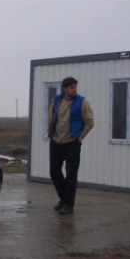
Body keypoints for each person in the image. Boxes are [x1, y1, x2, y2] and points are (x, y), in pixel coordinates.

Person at [48, 76, 94, 215]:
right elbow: (51, 118)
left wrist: (79, 139)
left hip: (72, 144)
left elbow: (90, 122)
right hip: (56, 142)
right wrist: (50, 132)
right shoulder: (56, 100)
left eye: (75, 87)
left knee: (71, 175)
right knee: (54, 172)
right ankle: (64, 199)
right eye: (71, 87)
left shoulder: (82, 102)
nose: (74, 90)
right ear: (64, 89)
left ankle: (69, 205)